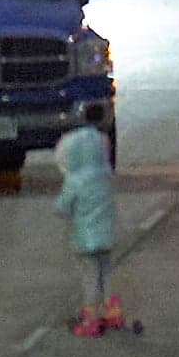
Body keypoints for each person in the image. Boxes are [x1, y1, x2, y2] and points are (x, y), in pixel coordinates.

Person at [54, 107, 121, 335]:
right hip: (107, 234)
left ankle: (91, 317)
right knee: (106, 273)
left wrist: (62, 210)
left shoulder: (74, 180)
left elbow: (62, 206)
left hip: (85, 239)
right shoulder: (104, 175)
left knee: (89, 277)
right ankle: (112, 311)